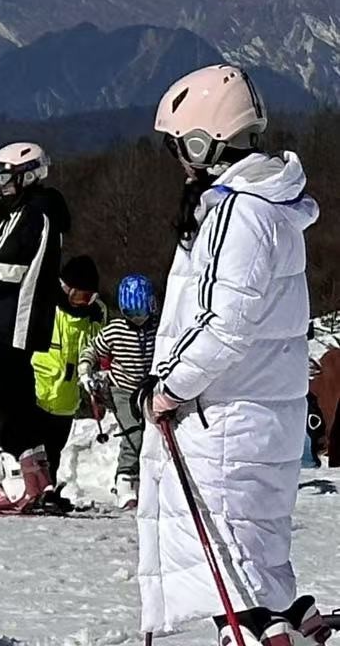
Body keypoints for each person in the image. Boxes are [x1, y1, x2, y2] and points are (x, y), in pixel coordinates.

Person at [136, 64, 326, 645]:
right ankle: (286, 620)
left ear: (203, 144)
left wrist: (167, 387)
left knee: (229, 564)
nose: (179, 161)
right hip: (265, 412)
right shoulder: (271, 210)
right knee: (255, 551)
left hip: (225, 419)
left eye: (180, 147)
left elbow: (223, 323)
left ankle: (262, 632)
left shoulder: (237, 213)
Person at [0, 141, 68, 512]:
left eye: (8, 177)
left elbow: (5, 274)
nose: (1, 184)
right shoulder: (32, 211)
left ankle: (18, 482)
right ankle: (37, 477)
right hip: (18, 322)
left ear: (30, 176)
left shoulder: (31, 213)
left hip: (10, 321)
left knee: (7, 403)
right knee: (20, 399)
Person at [24, 255, 106, 513]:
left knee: (54, 451)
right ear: (65, 288)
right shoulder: (48, 307)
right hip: (38, 391)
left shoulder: (94, 315)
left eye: (89, 297)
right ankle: (34, 492)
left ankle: (48, 494)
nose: (83, 303)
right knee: (33, 450)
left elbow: (97, 351)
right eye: (79, 296)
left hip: (66, 399)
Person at [88, 273, 159, 508]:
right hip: (122, 389)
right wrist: (85, 368)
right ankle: (125, 478)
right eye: (131, 314)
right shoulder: (116, 330)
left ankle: (147, 479)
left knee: (153, 434)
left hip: (149, 389)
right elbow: (93, 350)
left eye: (141, 313)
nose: (137, 319)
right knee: (133, 433)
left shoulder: (158, 328)